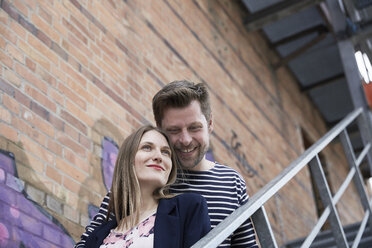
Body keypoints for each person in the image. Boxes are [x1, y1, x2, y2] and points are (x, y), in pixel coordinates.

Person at [76, 80, 258, 247]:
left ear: (210, 123)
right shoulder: (141, 180)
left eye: (194, 128)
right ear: (160, 129)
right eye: (174, 130)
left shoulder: (231, 183)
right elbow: (90, 241)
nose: (186, 140)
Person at [84, 125, 211, 247]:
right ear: (128, 159)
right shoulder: (98, 236)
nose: (158, 157)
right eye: (147, 147)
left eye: (166, 152)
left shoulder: (189, 208)